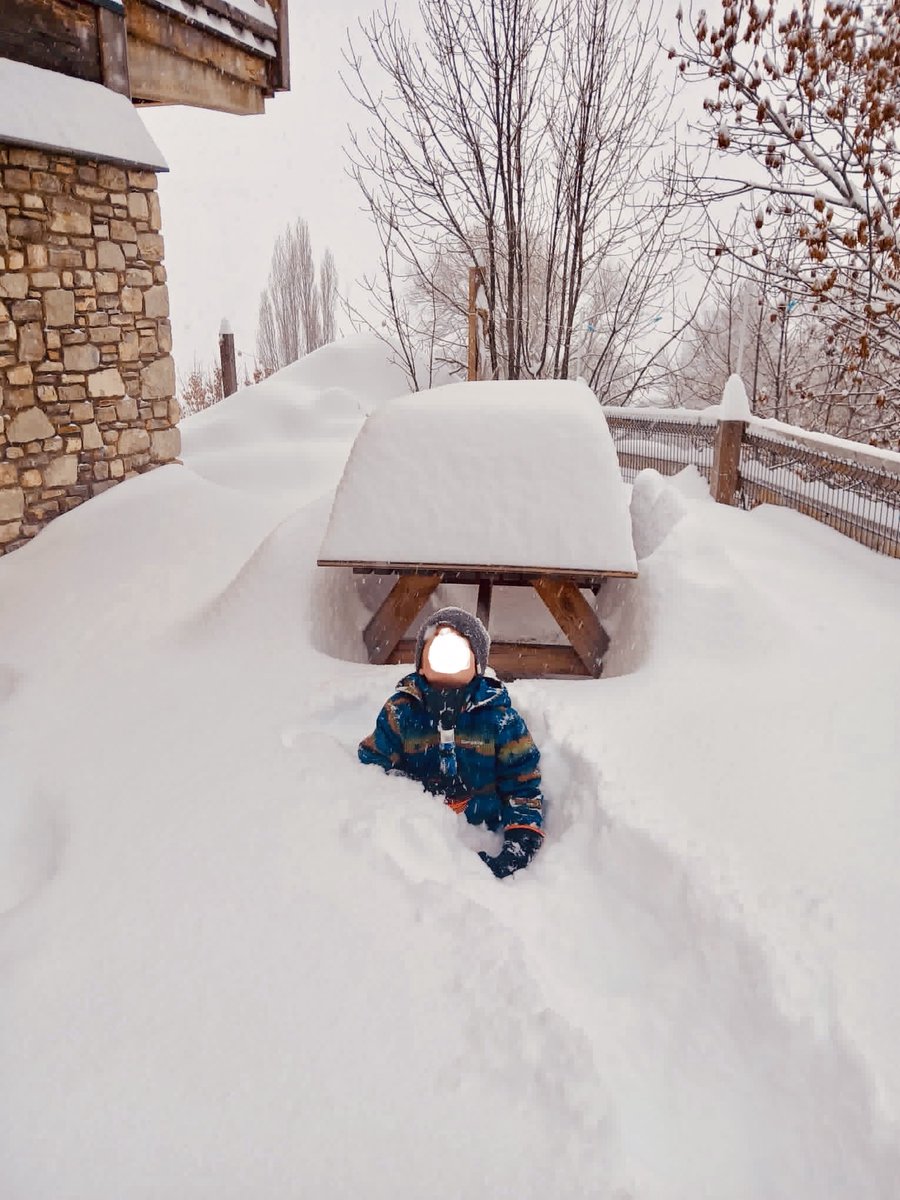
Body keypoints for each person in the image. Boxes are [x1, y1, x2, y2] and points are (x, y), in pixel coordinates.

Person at [359, 606, 544, 878]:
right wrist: (410, 790)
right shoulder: (402, 712)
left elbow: (523, 783)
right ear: (421, 663)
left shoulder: (500, 719)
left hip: (482, 833)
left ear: (477, 664)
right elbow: (372, 766)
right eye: (437, 652)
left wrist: (520, 841)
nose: (446, 659)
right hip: (418, 841)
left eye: (456, 653)